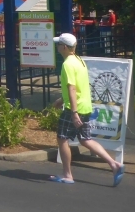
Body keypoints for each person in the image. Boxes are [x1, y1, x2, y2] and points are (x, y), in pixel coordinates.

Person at [50, 32, 124, 186]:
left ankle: (67, 175)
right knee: (85, 139)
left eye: (58, 44)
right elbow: (78, 86)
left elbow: (71, 88)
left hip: (74, 108)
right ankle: (114, 164)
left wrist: (74, 112)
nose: (57, 46)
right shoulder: (79, 61)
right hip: (86, 106)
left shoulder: (67, 64)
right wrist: (61, 99)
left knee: (62, 138)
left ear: (64, 47)